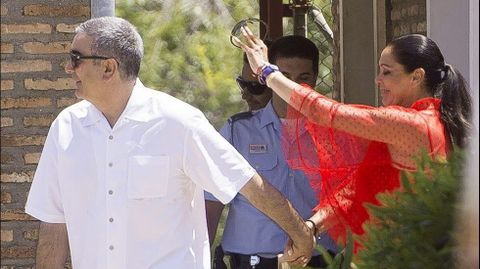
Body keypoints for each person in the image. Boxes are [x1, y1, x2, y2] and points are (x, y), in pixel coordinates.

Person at [24, 17, 316, 269]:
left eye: (75, 58)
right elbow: (53, 223)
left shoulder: (179, 122)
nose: (67, 67)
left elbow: (247, 183)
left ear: (108, 68)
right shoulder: (65, 128)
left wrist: (301, 235)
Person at [237, 28, 472, 264]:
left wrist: (267, 72)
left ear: (416, 77)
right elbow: (358, 187)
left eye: (387, 72)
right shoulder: (425, 120)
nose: (378, 79)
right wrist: (312, 226)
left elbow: (324, 112)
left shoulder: (415, 124)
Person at [206, 36, 337, 269]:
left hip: (317, 260)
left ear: (315, 78)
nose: (293, 86)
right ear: (268, 78)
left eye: (303, 78)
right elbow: (211, 202)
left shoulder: (333, 134)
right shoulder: (238, 131)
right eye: (284, 77)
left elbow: (344, 199)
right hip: (251, 262)